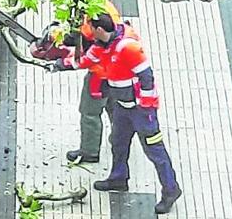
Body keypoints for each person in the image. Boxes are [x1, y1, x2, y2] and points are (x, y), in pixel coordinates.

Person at [53, 13, 182, 215]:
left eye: (91, 29)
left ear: (100, 30)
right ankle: (118, 178)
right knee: (118, 142)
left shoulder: (127, 47)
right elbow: (86, 60)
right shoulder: (103, 45)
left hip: (141, 111)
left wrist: (146, 109)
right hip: (123, 106)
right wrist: (59, 65)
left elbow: (147, 77)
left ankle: (170, 189)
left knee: (155, 151)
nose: (89, 33)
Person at [30, 0, 121, 164]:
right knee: (113, 105)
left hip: (100, 76)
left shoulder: (98, 40)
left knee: (90, 113)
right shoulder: (107, 12)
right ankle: (120, 137)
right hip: (118, 74)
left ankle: (90, 151)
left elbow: (82, 58)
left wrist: (58, 63)